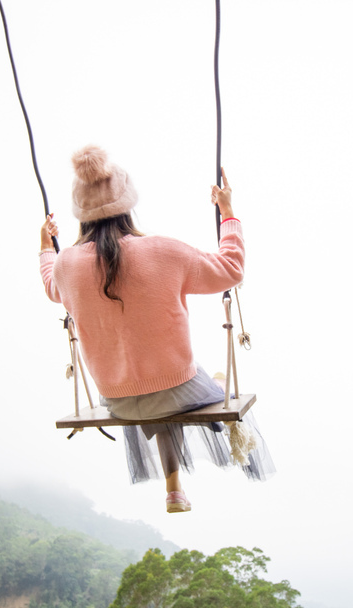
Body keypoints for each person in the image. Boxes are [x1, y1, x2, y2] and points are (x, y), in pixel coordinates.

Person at [38, 145, 273, 513]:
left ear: (81, 214)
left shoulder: (66, 264)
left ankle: (173, 487)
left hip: (117, 399)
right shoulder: (164, 251)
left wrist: (45, 250)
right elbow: (231, 269)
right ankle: (218, 401)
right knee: (211, 381)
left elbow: (52, 288)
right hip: (176, 387)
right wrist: (227, 214)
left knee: (154, 392)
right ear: (126, 205)